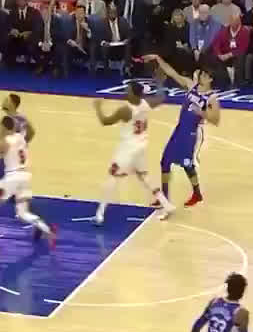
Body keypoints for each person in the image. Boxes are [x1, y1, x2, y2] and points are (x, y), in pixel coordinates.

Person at [91, 82, 175, 224]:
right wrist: (160, 81)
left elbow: (105, 121)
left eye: (128, 91)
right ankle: (167, 205)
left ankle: (99, 215)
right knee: (144, 177)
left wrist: (98, 107)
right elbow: (161, 97)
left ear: (135, 95)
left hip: (128, 149)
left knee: (113, 176)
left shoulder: (126, 110)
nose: (125, 92)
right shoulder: (146, 103)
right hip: (140, 146)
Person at [144, 55, 220, 207]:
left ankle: (197, 194)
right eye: (202, 74)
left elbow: (215, 119)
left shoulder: (212, 98)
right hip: (180, 129)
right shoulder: (191, 85)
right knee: (165, 161)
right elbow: (172, 73)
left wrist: (201, 112)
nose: (202, 77)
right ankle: (164, 197)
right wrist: (158, 59)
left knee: (187, 164)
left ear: (210, 79)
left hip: (193, 133)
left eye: (205, 76)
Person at [0, 115, 55, 250]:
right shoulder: (21, 137)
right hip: (25, 177)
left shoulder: (4, 142)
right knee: (22, 213)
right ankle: (47, 230)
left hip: (12, 177)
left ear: (3, 127)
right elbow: (29, 133)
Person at [183, 273, 253, 332]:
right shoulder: (241, 312)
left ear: (227, 288)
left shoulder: (214, 302)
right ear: (242, 291)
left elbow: (199, 324)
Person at [0, 94, 35, 199]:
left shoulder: (9, 121)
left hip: (7, 158)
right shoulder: (22, 118)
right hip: (18, 159)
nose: (3, 101)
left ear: (12, 104)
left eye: (6, 100)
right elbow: (32, 132)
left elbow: (4, 144)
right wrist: (24, 143)